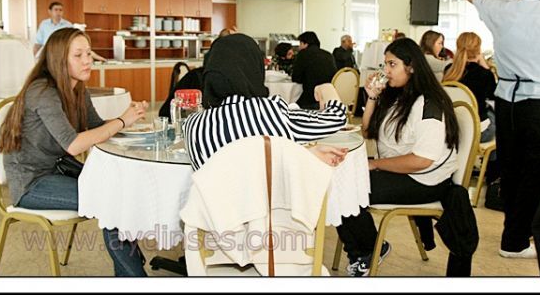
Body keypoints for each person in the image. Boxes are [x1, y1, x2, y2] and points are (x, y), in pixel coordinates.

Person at [0, 27, 149, 276]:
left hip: (58, 170)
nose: (88, 60)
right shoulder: (42, 92)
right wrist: (122, 121)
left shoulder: (78, 90)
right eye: (78, 55)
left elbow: (98, 128)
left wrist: (131, 122)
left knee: (121, 191)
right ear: (59, 59)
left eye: (88, 53)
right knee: (112, 200)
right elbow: (74, 144)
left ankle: (130, 275)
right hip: (30, 183)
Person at [455, 0, 540, 259]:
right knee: (539, 174)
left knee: (511, 170)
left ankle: (512, 239)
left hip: (507, 102)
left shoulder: (503, 10)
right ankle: (526, 237)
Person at [335, 38, 460, 276]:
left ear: (411, 67)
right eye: (385, 64)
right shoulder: (399, 95)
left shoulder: (429, 104)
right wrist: (372, 97)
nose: (386, 71)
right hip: (401, 170)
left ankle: (368, 250)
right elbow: (368, 131)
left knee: (346, 187)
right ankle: (365, 250)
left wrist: (375, 164)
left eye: (392, 64)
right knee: (338, 182)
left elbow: (422, 160)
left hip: (425, 179)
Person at [183, 33, 349, 171]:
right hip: (269, 202)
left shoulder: (192, 125)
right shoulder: (269, 112)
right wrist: (327, 88)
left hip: (219, 202)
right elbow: (336, 118)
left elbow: (237, 167)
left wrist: (305, 153)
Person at [443, 32, 498, 180]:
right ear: (478, 50)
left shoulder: (449, 71)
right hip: (477, 132)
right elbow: (495, 96)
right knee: (497, 120)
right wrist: (485, 65)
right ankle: (492, 175)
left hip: (452, 129)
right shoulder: (484, 75)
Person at [34, 1, 106, 62]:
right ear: (49, 11)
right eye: (56, 10)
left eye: (60, 10)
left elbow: (75, 42)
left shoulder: (68, 25)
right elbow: (38, 43)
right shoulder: (44, 24)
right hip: (48, 55)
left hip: (62, 55)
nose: (58, 12)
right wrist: (35, 57)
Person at [292, 31, 338, 109]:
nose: (299, 47)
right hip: (329, 97)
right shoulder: (328, 54)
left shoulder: (302, 54)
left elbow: (296, 78)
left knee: (292, 105)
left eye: (300, 43)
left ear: (305, 44)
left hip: (311, 98)